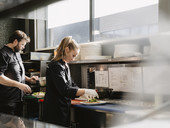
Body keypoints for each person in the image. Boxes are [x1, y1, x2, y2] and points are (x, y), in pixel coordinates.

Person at [43, 36, 99, 127]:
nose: (73, 59)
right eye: (73, 55)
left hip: (63, 108)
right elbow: (65, 89)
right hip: (55, 110)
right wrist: (85, 91)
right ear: (67, 49)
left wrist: (81, 93)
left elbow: (71, 84)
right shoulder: (55, 66)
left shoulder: (65, 65)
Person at [0, 30, 38, 117]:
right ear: (15, 41)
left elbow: (16, 73)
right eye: (22, 44)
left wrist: (28, 79)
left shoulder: (17, 53)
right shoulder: (2, 54)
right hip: (7, 102)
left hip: (19, 100)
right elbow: (0, 77)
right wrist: (19, 85)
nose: (23, 47)